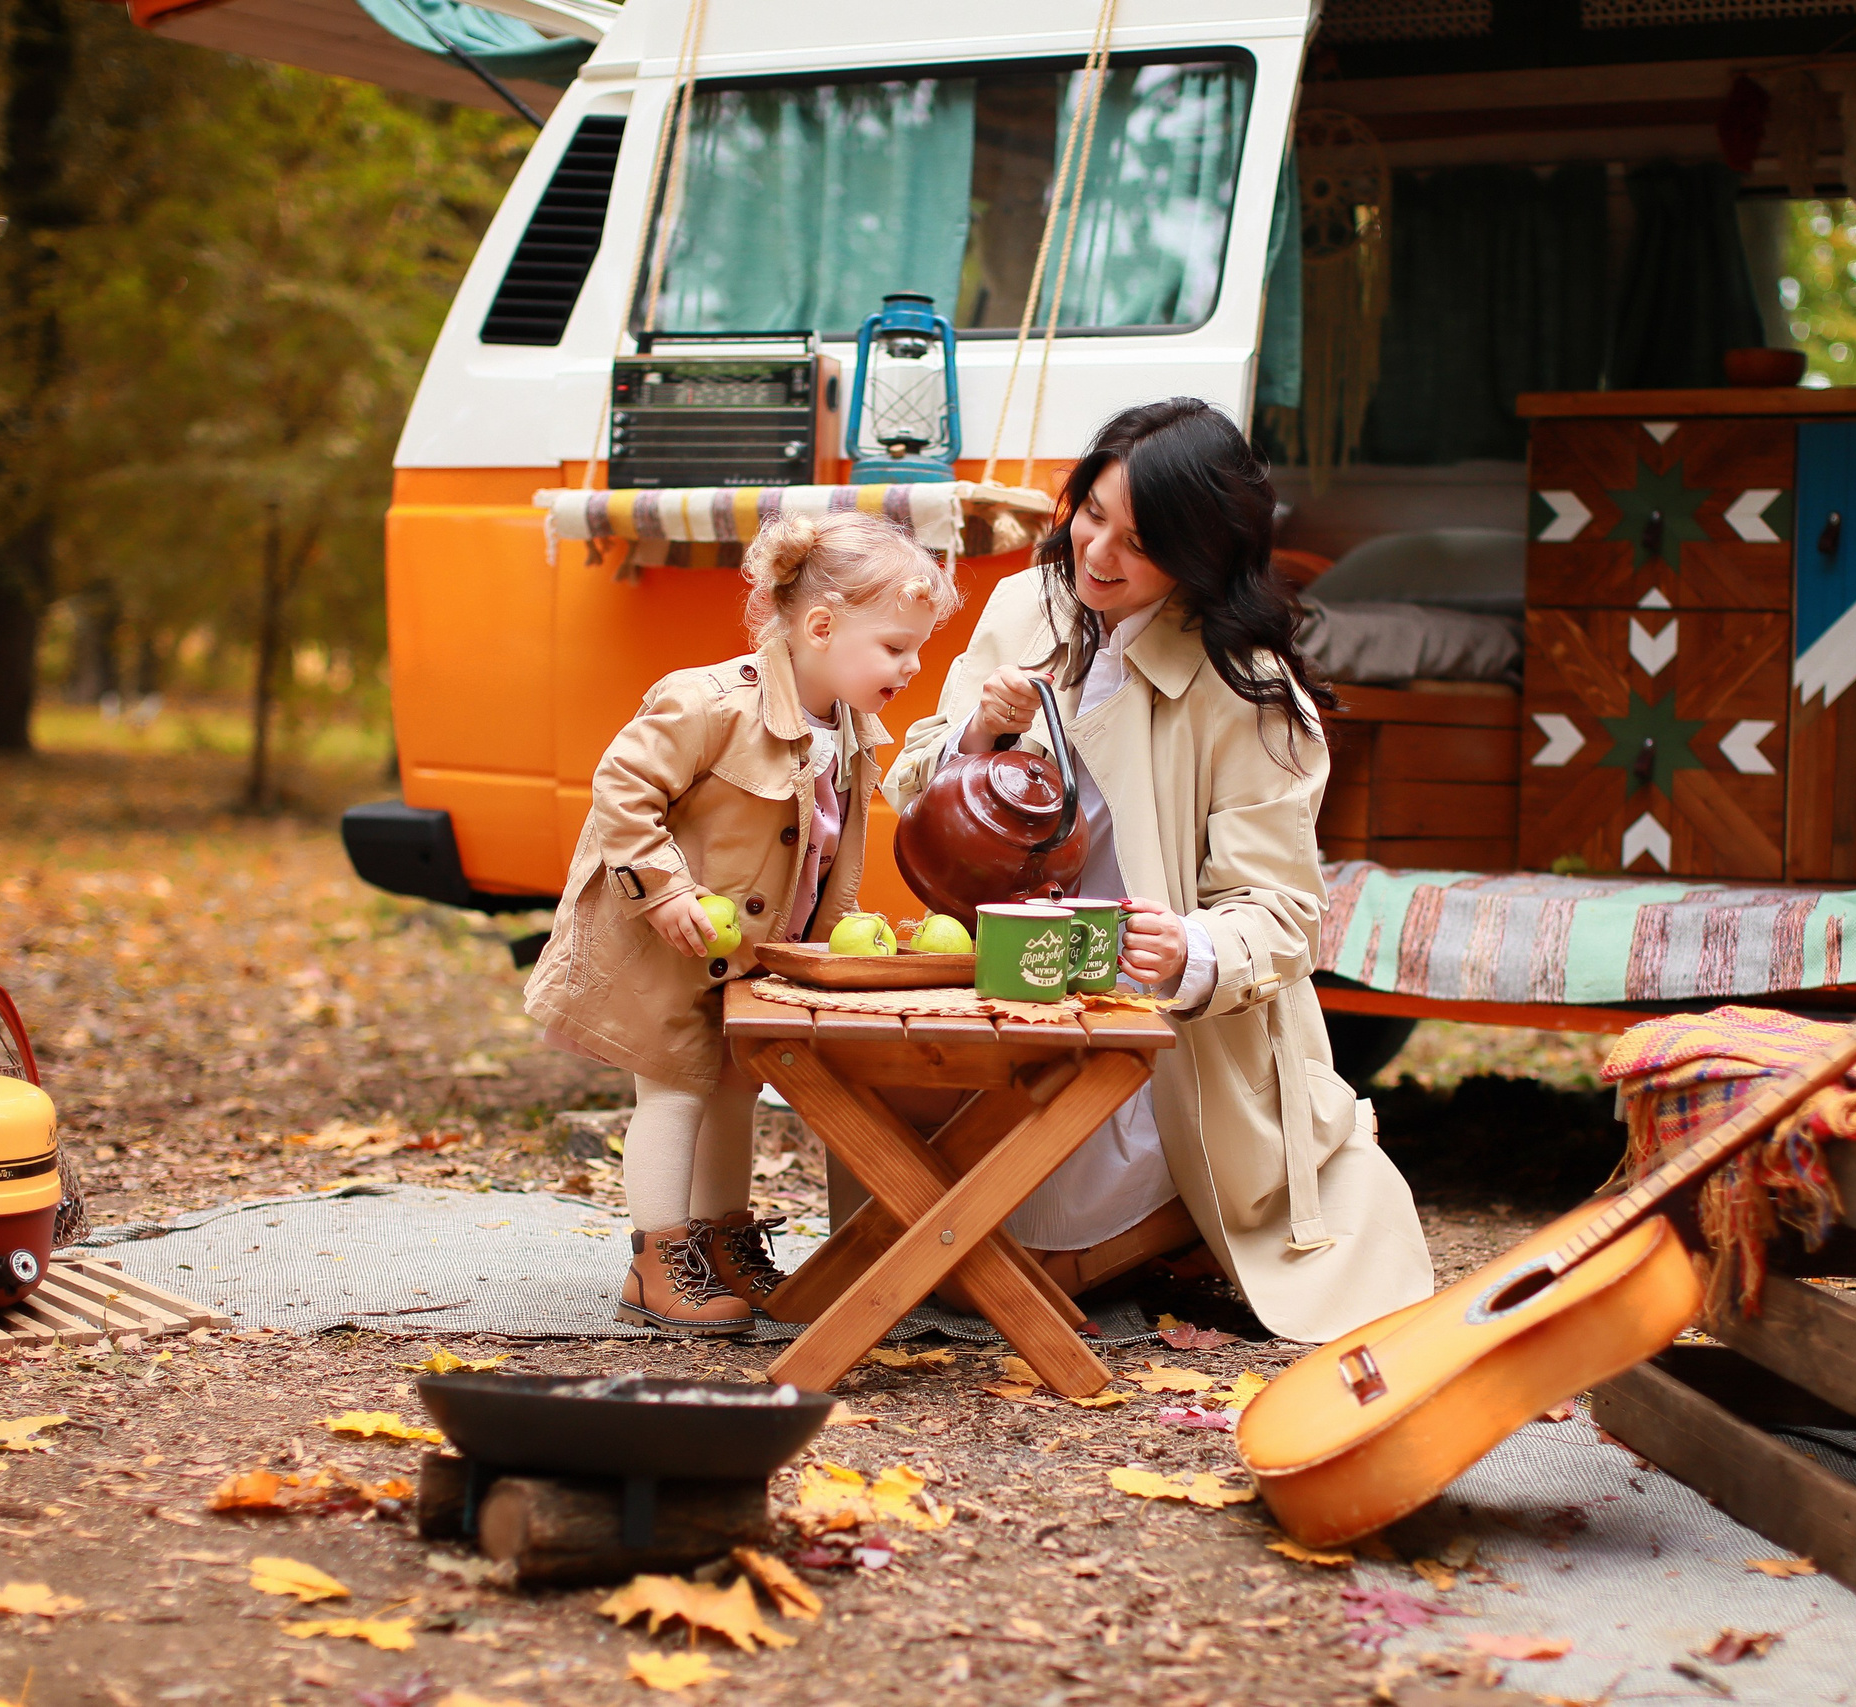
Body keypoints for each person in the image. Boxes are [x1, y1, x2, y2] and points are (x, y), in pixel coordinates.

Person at [885, 398, 1434, 1343]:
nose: (1098, 554)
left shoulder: (1253, 696)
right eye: (1091, 513)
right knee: (894, 1151)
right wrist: (982, 731)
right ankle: (1133, 1232)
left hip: (1152, 1023)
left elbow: (1284, 918)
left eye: (1138, 541)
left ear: (1201, 552)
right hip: (1007, 981)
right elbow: (911, 786)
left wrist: (1188, 946)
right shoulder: (1026, 606)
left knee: (1028, 1247)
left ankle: (1165, 1220)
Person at [526, 512, 962, 1334]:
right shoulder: (711, 703)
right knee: (674, 1089)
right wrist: (666, 892)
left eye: (917, 646)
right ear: (822, 626)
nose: (913, 664)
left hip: (755, 957)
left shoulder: (854, 732)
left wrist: (834, 940)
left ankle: (723, 1238)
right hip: (675, 946)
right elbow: (623, 791)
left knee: (735, 1088)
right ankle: (656, 1259)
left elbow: (832, 850)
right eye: (898, 646)